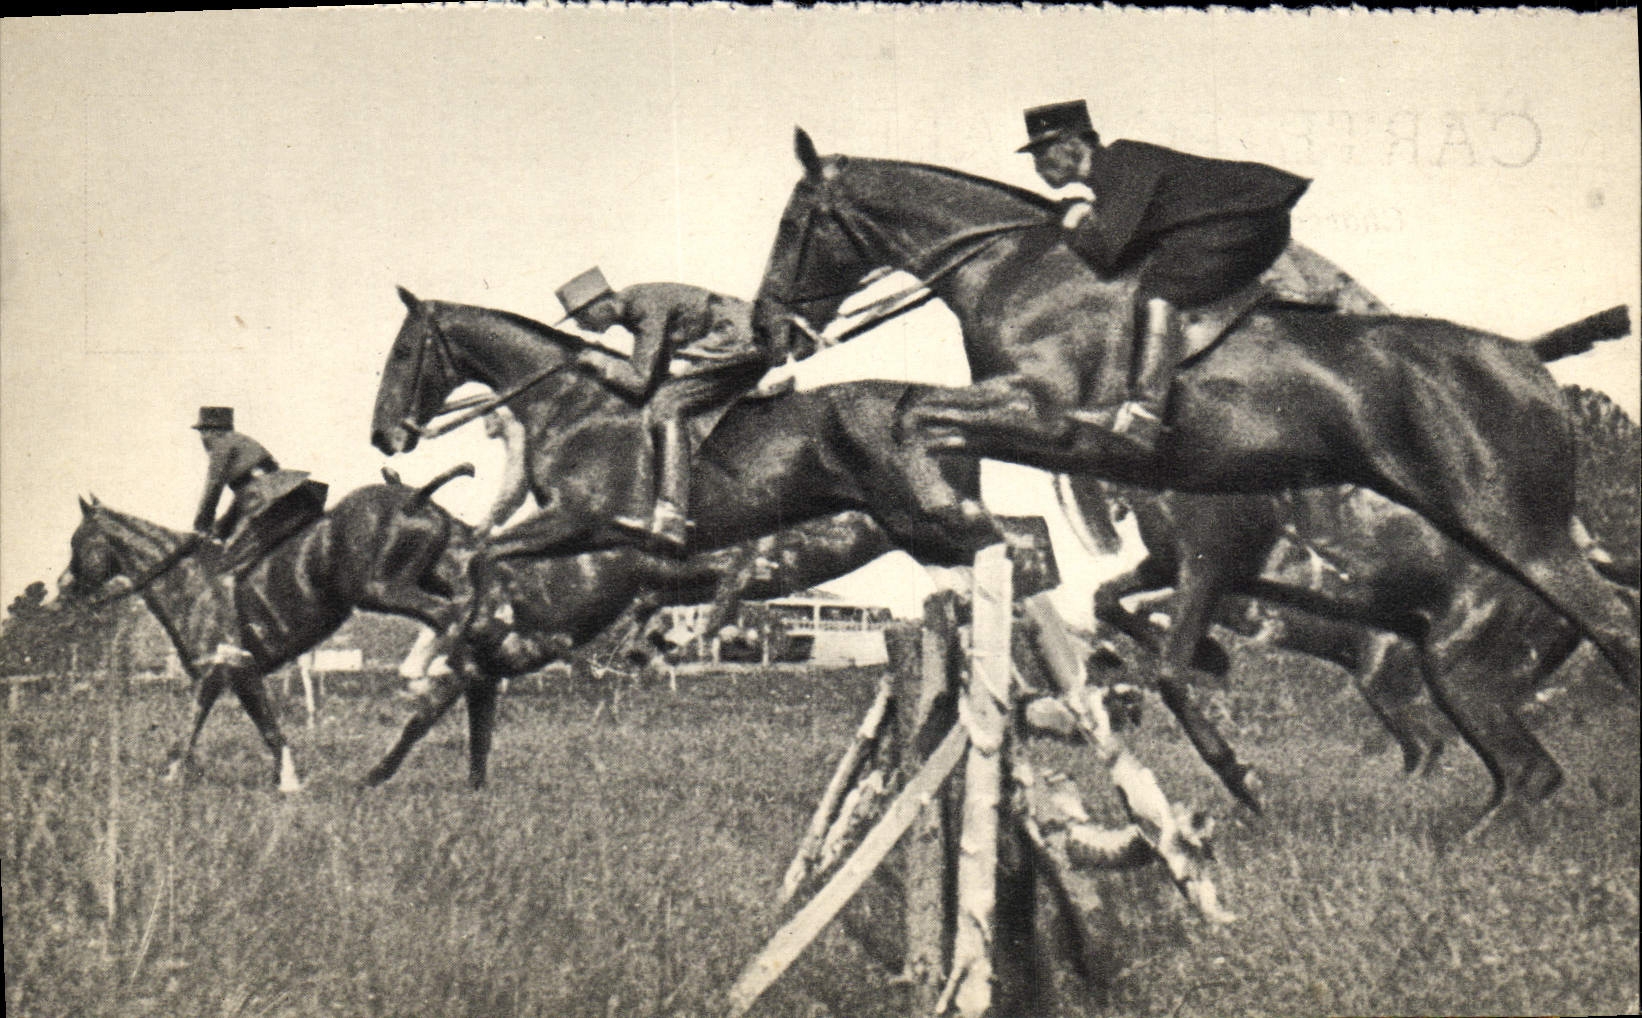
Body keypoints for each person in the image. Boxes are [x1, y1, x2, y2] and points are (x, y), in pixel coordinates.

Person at [1018, 100, 1310, 453]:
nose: (1038, 167)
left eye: (1043, 154)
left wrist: (1075, 223)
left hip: (1246, 224)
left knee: (1158, 292)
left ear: (1070, 144)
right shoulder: (1113, 175)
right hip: (1245, 223)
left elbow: (1108, 256)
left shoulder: (1121, 163)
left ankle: (1144, 413)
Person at [554, 267, 771, 552]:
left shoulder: (644, 307)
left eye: (582, 316)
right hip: (734, 338)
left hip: (737, 341)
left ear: (601, 304)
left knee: (666, 405)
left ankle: (671, 516)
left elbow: (640, 382)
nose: (582, 326)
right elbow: (651, 370)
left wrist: (601, 363)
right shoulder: (638, 304)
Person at [191, 406, 284, 544]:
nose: (203, 437)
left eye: (204, 432)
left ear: (214, 430)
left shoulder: (221, 445)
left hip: (259, 493)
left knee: (234, 542)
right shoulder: (240, 439)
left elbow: (213, 486)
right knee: (226, 526)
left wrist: (202, 524)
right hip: (272, 485)